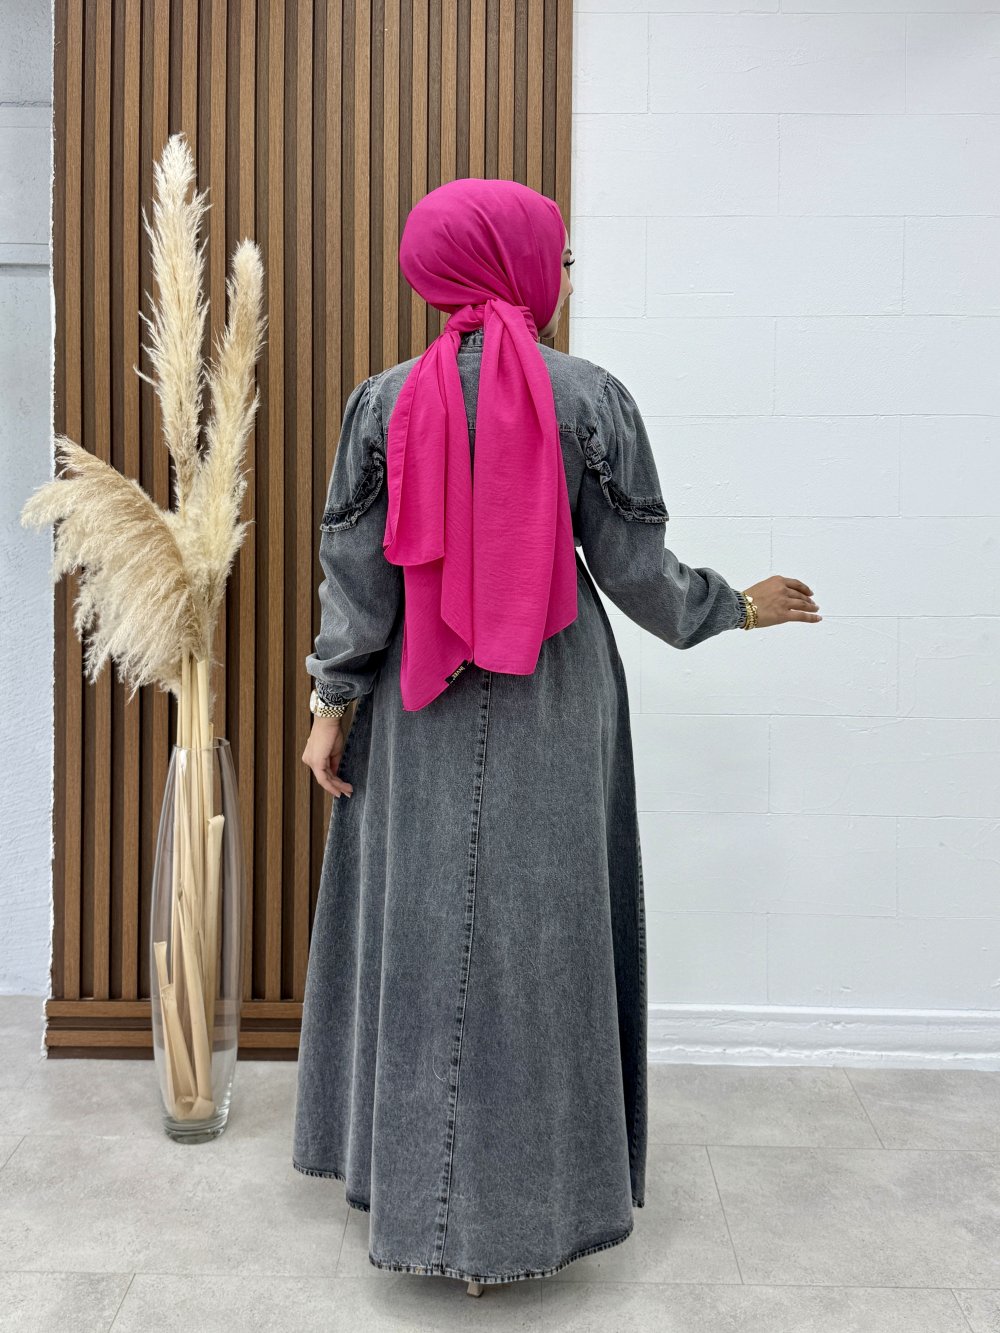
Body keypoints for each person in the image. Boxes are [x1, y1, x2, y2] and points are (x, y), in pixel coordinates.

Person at [294, 177, 821, 1291]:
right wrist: (735, 605)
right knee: (548, 940)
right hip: (555, 694)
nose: (568, 274)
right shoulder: (589, 399)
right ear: (511, 260)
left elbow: (358, 586)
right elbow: (636, 571)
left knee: (424, 935)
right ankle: (533, 1216)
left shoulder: (380, 405)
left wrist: (330, 705)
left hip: (417, 703)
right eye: (561, 255)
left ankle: (430, 1212)